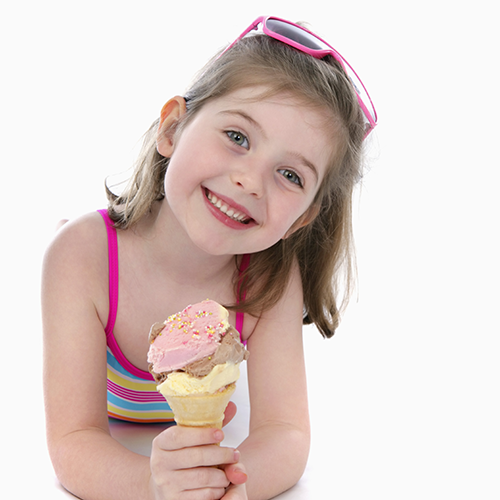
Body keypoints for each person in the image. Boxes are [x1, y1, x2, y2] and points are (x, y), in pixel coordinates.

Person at [42, 15, 377, 500]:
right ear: (173, 129)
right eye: (238, 137)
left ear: (302, 219)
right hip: (81, 256)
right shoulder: (82, 262)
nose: (250, 180)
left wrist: (230, 486)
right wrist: (152, 486)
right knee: (65, 240)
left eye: (290, 175)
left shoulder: (271, 283)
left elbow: (286, 434)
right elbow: (73, 442)